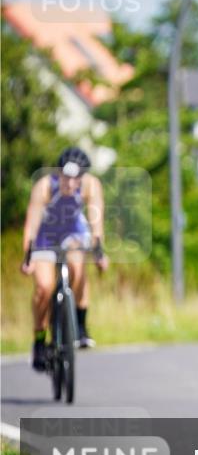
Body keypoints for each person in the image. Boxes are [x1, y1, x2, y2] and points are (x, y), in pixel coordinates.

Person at [21, 147, 109, 370]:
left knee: (77, 265)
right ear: (59, 173)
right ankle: (40, 342)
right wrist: (28, 255)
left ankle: (79, 325)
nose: (70, 184)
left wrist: (99, 251)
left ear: (83, 177)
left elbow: (95, 220)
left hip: (73, 233)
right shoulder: (44, 186)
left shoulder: (91, 185)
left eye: (75, 179)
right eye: (66, 178)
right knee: (44, 287)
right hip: (46, 236)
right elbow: (31, 223)